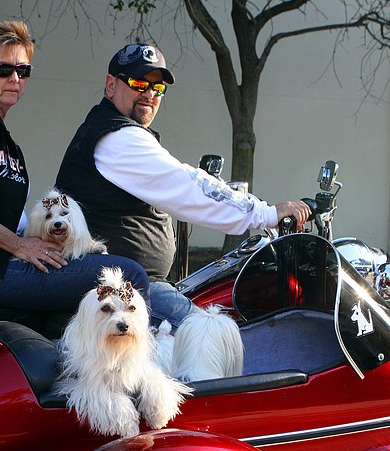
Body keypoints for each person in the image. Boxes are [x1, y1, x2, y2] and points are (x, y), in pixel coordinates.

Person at [55, 42, 310, 326]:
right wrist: (266, 214)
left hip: (131, 283)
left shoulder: (110, 128)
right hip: (117, 292)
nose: (149, 94)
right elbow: (187, 185)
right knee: (210, 338)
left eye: (158, 88)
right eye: (139, 83)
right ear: (110, 85)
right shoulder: (117, 138)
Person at [0, 22, 149, 315]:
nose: (14, 78)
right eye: (2, 69)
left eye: (22, 71)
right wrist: (19, 246)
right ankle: (136, 361)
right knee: (129, 276)